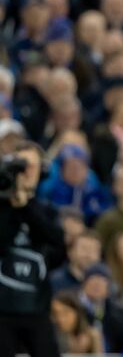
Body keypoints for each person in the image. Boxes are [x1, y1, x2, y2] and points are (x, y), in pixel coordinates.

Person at [0, 140, 62, 357]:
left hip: (37, 309)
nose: (25, 172)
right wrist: (11, 204)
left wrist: (24, 207)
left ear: (42, 171)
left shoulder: (48, 211)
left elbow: (58, 245)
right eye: (20, 166)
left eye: (31, 166)